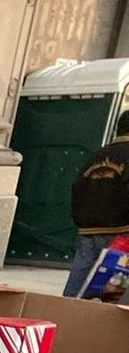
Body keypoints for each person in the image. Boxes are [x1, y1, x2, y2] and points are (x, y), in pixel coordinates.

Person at [65, 111, 129, 298]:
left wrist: (82, 219)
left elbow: (77, 187)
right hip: (122, 230)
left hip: (89, 228)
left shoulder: (97, 155)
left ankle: (66, 312)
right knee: (117, 288)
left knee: (79, 281)